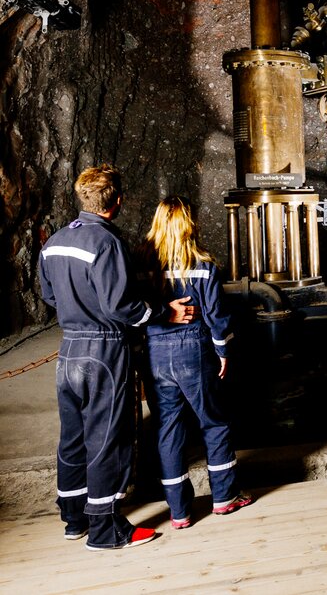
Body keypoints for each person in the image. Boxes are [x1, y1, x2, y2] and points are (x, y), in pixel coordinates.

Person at [38, 165, 198, 551]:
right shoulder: (107, 243)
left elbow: (50, 297)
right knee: (109, 438)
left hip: (69, 350)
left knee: (73, 439)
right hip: (105, 350)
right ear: (118, 202)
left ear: (83, 198)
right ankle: (106, 529)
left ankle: (74, 519)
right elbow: (123, 306)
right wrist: (165, 313)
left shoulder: (55, 242)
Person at [138, 195, 251, 529]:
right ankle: (224, 498)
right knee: (213, 422)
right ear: (190, 224)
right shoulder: (204, 267)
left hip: (155, 352)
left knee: (167, 428)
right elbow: (217, 317)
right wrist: (223, 352)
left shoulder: (141, 268)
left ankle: (179, 512)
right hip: (194, 351)